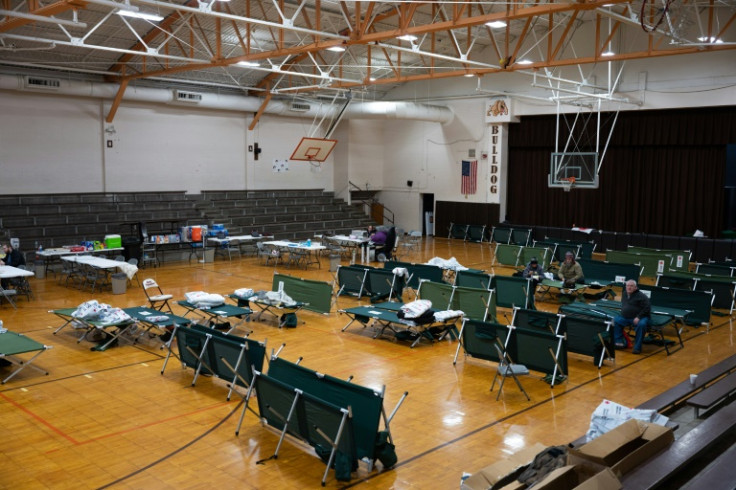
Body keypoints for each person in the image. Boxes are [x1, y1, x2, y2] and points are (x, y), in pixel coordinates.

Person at [613, 280, 651, 354]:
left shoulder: (642, 296)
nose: (629, 287)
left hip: (640, 317)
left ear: (635, 287)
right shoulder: (624, 294)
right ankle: (619, 342)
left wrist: (639, 317)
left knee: (642, 325)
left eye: (631, 286)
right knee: (615, 320)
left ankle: (637, 347)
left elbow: (647, 308)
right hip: (626, 317)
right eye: (627, 286)